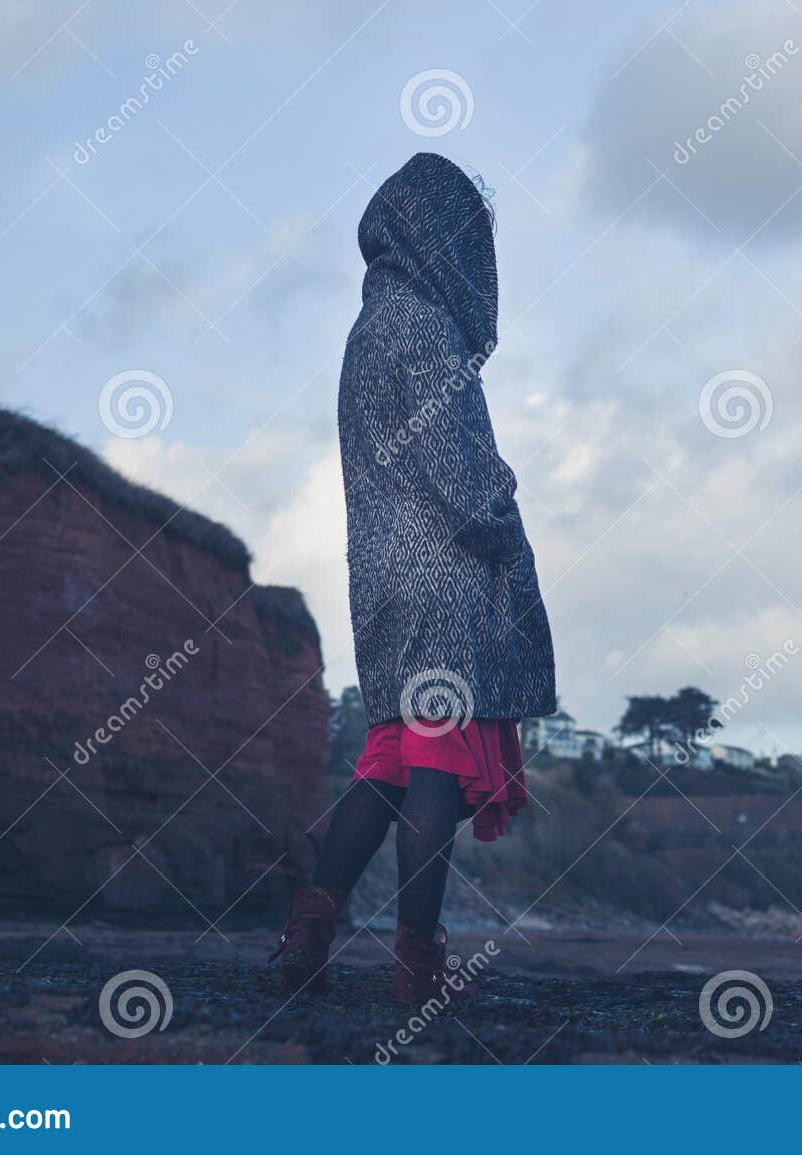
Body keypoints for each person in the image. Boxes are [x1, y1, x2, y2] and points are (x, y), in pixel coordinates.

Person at [271, 152, 556, 1003]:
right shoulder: (427, 328)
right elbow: (462, 475)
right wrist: (507, 525)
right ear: (442, 237)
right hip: (443, 575)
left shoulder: (367, 330)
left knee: (389, 760)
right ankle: (416, 965)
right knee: (436, 762)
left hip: (381, 582)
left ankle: (307, 935)